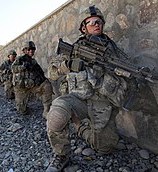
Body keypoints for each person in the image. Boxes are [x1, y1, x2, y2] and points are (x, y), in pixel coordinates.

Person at [46, 5, 129, 171]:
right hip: (77, 100)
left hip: (102, 103)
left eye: (99, 21)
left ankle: (79, 126)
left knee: (105, 149)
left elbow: (127, 70)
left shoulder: (113, 51)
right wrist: (68, 65)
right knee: (56, 115)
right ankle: (62, 155)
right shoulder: (75, 49)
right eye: (91, 22)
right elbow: (51, 72)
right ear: (84, 27)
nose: (96, 24)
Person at [11, 41, 53, 118]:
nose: (31, 51)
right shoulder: (20, 59)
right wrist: (22, 67)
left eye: (33, 49)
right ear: (24, 50)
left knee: (47, 86)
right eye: (29, 49)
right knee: (22, 111)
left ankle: (47, 110)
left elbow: (40, 73)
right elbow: (13, 69)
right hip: (21, 88)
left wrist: (44, 81)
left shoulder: (33, 61)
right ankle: (25, 102)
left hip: (32, 85)